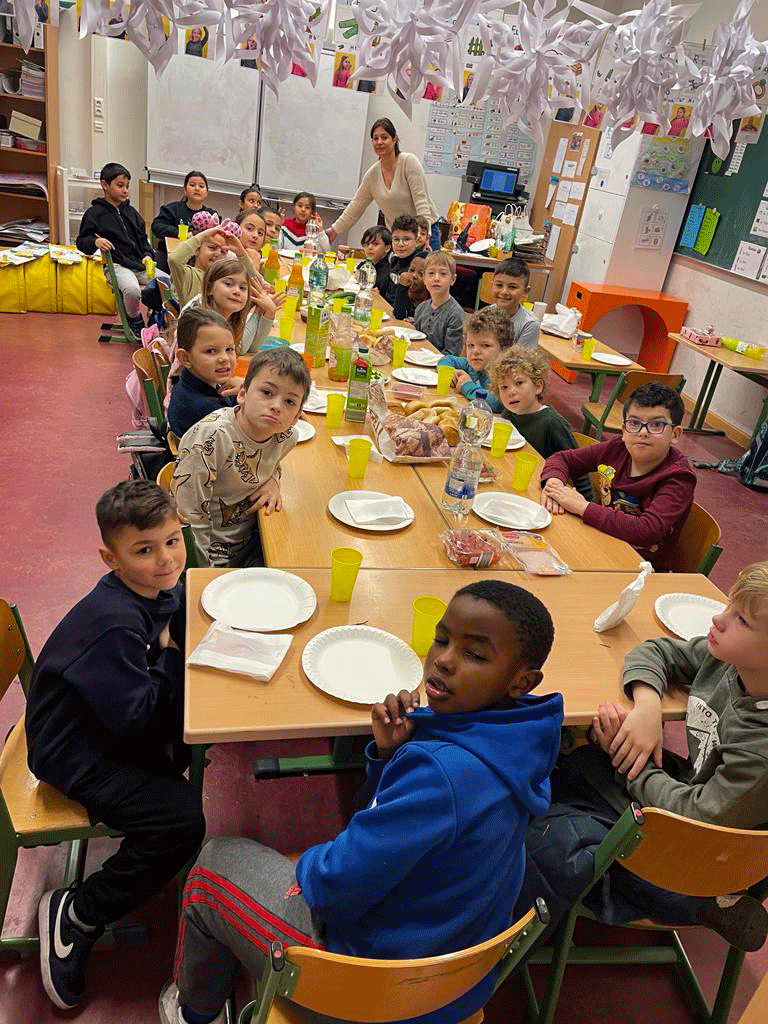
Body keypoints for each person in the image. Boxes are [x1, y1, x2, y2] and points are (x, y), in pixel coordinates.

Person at [159, 580, 563, 1024]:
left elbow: (333, 890)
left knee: (214, 864)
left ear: (522, 680)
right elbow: (419, 823)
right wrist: (390, 757)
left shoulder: (441, 774)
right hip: (456, 987)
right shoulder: (521, 745)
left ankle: (193, 1012)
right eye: (443, 639)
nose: (444, 660)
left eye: (476, 655)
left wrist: (308, 863)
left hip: (371, 990)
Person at [518, 560, 768, 953]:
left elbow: (697, 817)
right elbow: (656, 651)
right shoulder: (729, 661)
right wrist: (648, 704)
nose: (718, 619)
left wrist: (627, 762)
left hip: (704, 846)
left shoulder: (762, 752)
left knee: (551, 838)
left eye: (741, 620)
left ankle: (694, 900)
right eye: (729, 608)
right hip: (689, 798)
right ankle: (703, 904)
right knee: (575, 764)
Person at [26, 480, 205, 1010]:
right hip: (73, 751)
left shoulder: (151, 592)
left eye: (172, 541)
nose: (166, 559)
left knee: (185, 749)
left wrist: (174, 645)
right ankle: (77, 913)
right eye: (144, 550)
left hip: (104, 722)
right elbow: (137, 724)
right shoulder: (114, 624)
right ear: (111, 557)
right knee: (182, 821)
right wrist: (172, 652)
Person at [172, 348, 311, 567]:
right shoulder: (211, 438)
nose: (276, 406)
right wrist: (202, 574)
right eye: (267, 393)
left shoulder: (286, 436)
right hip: (212, 556)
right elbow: (189, 518)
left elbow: (271, 461)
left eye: (290, 402)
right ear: (243, 394)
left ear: (296, 416)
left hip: (252, 542)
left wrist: (274, 480)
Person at [539, 382, 696, 571]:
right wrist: (554, 485)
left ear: (675, 434)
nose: (643, 432)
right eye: (634, 423)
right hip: (598, 542)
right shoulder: (617, 449)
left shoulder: (679, 477)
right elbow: (562, 459)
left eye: (657, 425)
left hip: (639, 570)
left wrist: (582, 506)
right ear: (623, 430)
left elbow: (646, 530)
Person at [489, 346, 593, 498]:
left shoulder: (552, 423)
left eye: (519, 383)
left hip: (545, 493)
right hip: (518, 483)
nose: (511, 392)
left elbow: (578, 468)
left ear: (537, 386)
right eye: (504, 387)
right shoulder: (508, 414)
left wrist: (587, 505)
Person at [327, 118, 439, 249]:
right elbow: (356, 206)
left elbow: (421, 201)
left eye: (384, 137)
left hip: (425, 233)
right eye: (375, 138)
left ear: (394, 139)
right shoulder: (372, 174)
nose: (379, 142)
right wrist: (334, 229)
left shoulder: (409, 162)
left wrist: (423, 234)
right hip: (398, 237)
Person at [76, 161, 155, 337]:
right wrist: (96, 242)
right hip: (117, 266)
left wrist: (148, 255)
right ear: (104, 184)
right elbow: (82, 241)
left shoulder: (132, 212)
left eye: (127, 186)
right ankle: (134, 319)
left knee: (166, 282)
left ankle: (155, 316)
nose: (125, 190)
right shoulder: (95, 213)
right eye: (120, 186)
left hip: (139, 264)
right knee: (132, 290)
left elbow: (143, 240)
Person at [167, 308, 239, 438]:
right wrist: (251, 390)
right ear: (186, 358)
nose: (225, 358)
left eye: (229, 349)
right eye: (211, 351)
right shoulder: (208, 409)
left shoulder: (189, 383)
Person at [191, 256, 275, 355]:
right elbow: (239, 350)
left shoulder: (230, 314)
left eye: (242, 288)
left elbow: (248, 348)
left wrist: (267, 312)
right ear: (209, 288)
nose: (237, 292)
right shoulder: (201, 320)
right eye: (228, 284)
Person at [439, 306, 515, 412]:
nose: (475, 351)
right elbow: (446, 359)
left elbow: (497, 402)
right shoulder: (472, 364)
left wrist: (466, 386)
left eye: (485, 345)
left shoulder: (507, 374)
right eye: (471, 345)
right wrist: (451, 371)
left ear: (504, 349)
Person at [168, 224, 257, 307]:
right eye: (212, 248)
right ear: (197, 250)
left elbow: (253, 280)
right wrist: (202, 236)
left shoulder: (225, 278)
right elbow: (174, 259)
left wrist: (240, 252)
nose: (218, 253)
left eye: (223, 251)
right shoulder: (188, 275)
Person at [151, 170, 218, 273]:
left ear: (206, 192)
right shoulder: (171, 209)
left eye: (201, 186)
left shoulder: (212, 215)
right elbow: (157, 226)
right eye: (192, 185)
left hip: (199, 259)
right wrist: (179, 233)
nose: (197, 188)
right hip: (170, 256)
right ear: (185, 190)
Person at [412, 251, 464, 355]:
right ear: (424, 278)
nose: (436, 278)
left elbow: (451, 353)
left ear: (452, 279)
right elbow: (415, 341)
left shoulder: (455, 314)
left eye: (443, 274)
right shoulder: (421, 308)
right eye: (431, 273)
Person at [485, 258, 540, 348]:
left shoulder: (529, 325)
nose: (504, 292)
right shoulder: (485, 314)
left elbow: (519, 361)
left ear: (525, 292)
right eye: (499, 285)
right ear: (492, 285)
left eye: (512, 287)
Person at [386, 214, 428, 321]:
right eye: (396, 239)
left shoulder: (418, 265)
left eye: (406, 239)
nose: (400, 244)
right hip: (388, 311)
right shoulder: (394, 260)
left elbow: (404, 311)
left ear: (417, 240)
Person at [361, 224, 392, 295]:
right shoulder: (366, 264)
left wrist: (380, 295)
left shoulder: (390, 269)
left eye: (375, 244)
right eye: (367, 244)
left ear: (387, 248)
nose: (370, 247)